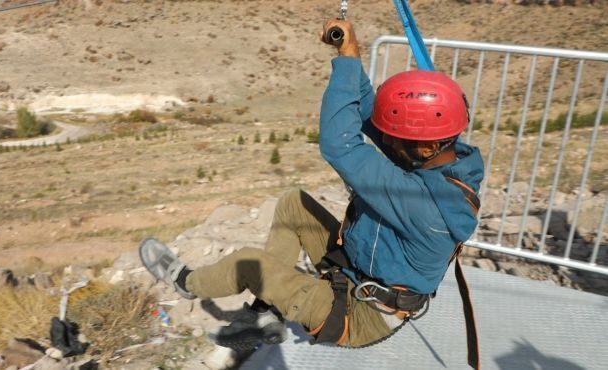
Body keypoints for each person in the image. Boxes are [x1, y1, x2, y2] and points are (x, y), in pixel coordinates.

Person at [140, 17, 484, 354]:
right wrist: (348, 54)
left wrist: (349, 62)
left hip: (365, 314)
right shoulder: (437, 158)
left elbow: (340, 145)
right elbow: (369, 115)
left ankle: (185, 283)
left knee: (247, 264)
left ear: (424, 146)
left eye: (394, 139)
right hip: (357, 268)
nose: (387, 143)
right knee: (294, 204)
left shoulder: (427, 203)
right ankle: (265, 313)